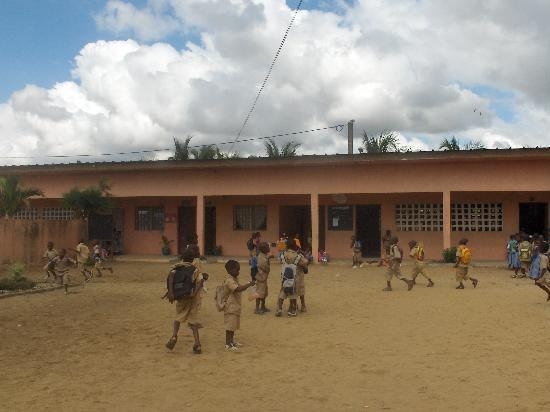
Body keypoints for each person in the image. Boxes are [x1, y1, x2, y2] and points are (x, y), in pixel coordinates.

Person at [165, 248, 209, 354]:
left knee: (178, 317)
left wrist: (171, 293)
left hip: (181, 298)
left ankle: (174, 336)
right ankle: (197, 344)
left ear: (182, 258)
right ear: (193, 258)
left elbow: (171, 277)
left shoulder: (176, 268)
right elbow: (200, 282)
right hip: (191, 298)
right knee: (193, 321)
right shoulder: (194, 269)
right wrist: (194, 293)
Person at [223, 260, 255, 351]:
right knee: (229, 326)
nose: (238, 272)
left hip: (235, 306)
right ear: (229, 270)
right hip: (230, 307)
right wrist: (249, 284)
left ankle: (231, 341)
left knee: (233, 326)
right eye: (237, 270)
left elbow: (241, 288)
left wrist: (248, 285)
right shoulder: (229, 280)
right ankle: (227, 343)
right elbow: (238, 289)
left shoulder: (234, 279)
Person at [275, 238, 309, 316]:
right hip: (294, 279)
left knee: (282, 292)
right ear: (295, 246)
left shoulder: (282, 254)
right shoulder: (298, 256)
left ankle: (279, 309)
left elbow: (279, 260)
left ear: (286, 246)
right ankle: (292, 310)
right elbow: (305, 263)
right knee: (293, 294)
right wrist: (303, 254)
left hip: (285, 277)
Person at [254, 242, 271, 314]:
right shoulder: (261, 257)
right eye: (267, 247)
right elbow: (264, 266)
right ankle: (257, 308)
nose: (269, 248)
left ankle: (263, 306)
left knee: (264, 293)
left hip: (263, 278)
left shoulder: (263, 255)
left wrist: (268, 258)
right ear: (263, 249)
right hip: (261, 278)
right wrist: (268, 268)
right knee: (259, 293)